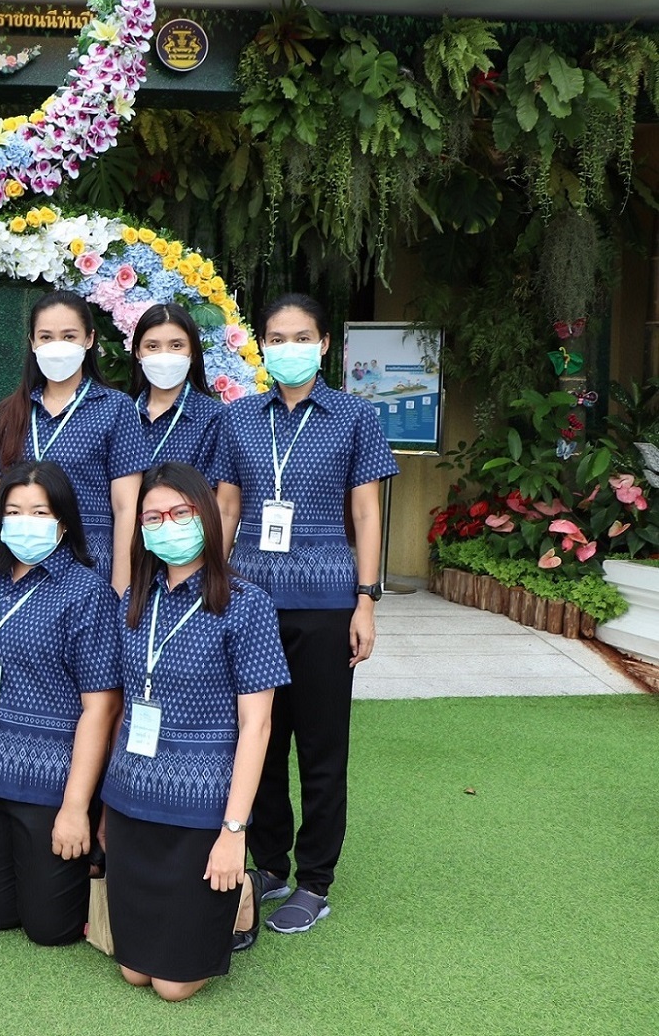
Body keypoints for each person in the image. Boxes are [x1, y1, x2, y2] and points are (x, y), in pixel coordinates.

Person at [213, 292, 398, 935]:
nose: (287, 347)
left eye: (301, 337)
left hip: (325, 603)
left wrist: (366, 600)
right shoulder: (238, 419)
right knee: (258, 739)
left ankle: (315, 878)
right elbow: (229, 508)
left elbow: (369, 514)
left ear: (323, 345)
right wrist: (218, 587)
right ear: (262, 345)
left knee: (321, 745)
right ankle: (270, 862)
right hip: (251, 602)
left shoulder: (354, 417)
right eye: (276, 336)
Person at [101, 461, 287, 1000]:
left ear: (205, 515)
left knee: (172, 987)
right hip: (134, 798)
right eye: (153, 517)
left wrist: (234, 833)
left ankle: (242, 890)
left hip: (203, 808)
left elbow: (258, 725)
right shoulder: (134, 600)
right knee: (134, 971)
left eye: (180, 512)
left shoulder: (246, 604)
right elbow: (122, 710)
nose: (167, 525)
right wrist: (109, 807)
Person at [0, 460, 121, 946]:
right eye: (14, 510)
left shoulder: (87, 593)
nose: (25, 522)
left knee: (51, 929)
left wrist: (75, 807)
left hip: (50, 785)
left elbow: (101, 707)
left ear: (64, 521)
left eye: (40, 511)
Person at [0, 290, 150, 594]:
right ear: (32, 343)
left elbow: (126, 506)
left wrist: (121, 585)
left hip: (89, 559)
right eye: (46, 337)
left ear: (89, 339)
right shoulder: (10, 412)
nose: (57, 346)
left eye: (69, 336)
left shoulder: (116, 407)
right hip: (20, 562)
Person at [130, 303, 225, 480]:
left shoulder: (214, 418)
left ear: (193, 353)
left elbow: (211, 495)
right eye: (152, 346)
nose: (164, 356)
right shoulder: (121, 412)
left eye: (176, 346)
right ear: (137, 353)